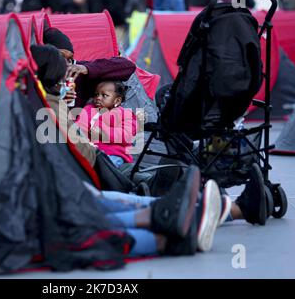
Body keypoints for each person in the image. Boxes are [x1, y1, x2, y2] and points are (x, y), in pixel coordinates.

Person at [30, 44, 222, 255]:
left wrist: (86, 70)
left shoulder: (109, 103)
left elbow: (125, 70)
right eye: (62, 61)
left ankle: (177, 204)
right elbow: (80, 135)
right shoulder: (72, 106)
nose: (67, 66)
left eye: (69, 59)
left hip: (108, 157)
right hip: (93, 163)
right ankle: (179, 206)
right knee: (111, 189)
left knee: (116, 179)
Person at [42, 27, 137, 109]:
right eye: (61, 56)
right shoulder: (38, 74)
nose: (66, 64)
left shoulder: (77, 71)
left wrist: (86, 69)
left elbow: (128, 66)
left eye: (70, 59)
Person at [76, 81, 137, 168]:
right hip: (89, 151)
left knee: (103, 168)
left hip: (113, 154)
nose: (98, 98)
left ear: (117, 100)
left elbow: (126, 135)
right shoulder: (88, 109)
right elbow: (80, 127)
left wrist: (103, 134)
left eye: (104, 95)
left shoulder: (125, 114)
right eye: (96, 94)